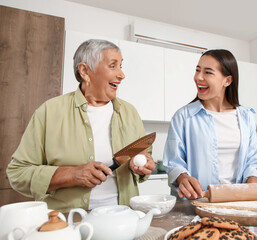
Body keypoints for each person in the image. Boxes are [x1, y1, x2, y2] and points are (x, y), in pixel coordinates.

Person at [6, 39, 156, 212]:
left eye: (121, 66)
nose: (121, 75)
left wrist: (143, 166)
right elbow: (17, 173)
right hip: (68, 221)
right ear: (85, 71)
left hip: (123, 217)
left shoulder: (130, 112)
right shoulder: (49, 111)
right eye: (113, 66)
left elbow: (144, 157)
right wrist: (72, 174)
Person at [163, 49, 257, 199]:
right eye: (197, 70)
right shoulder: (184, 116)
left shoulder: (246, 118)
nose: (198, 77)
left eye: (208, 72)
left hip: (238, 202)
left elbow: (251, 162)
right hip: (198, 202)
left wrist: (254, 185)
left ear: (227, 81)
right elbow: (174, 162)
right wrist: (183, 178)